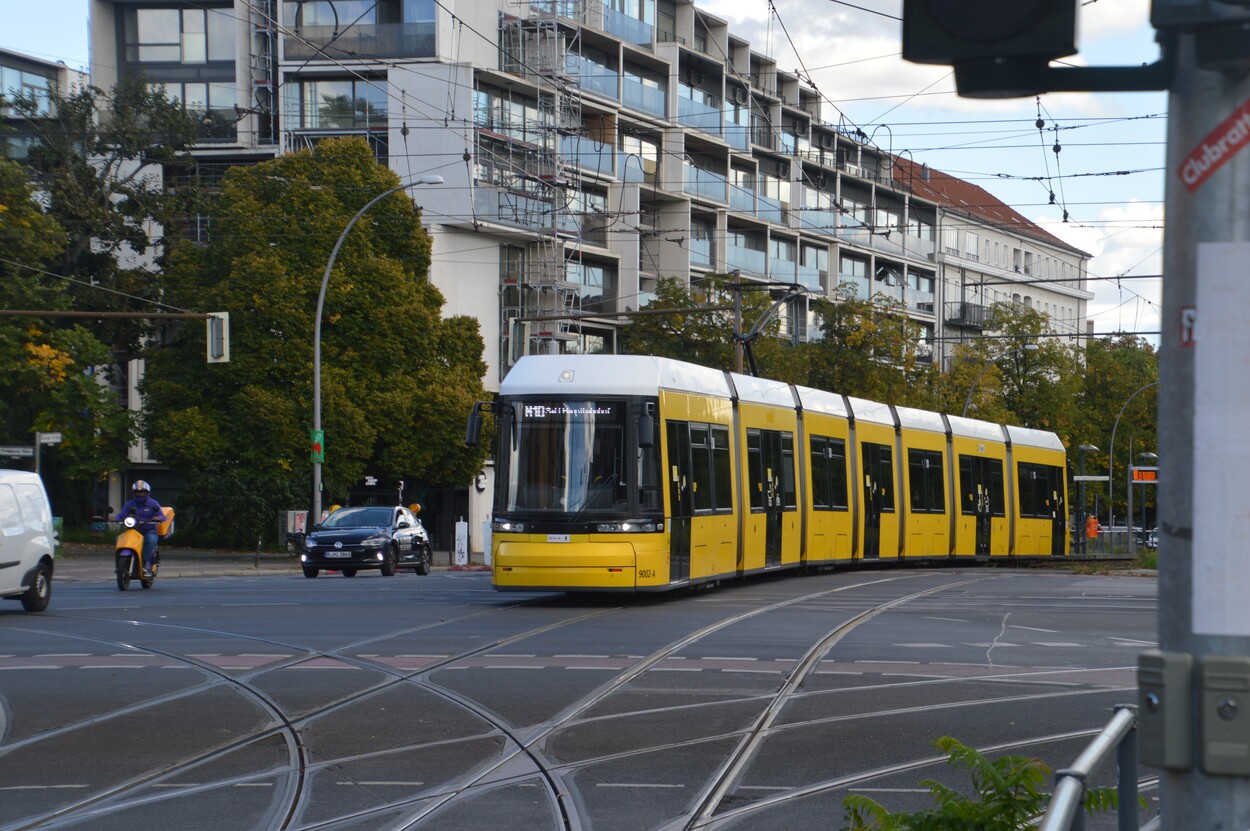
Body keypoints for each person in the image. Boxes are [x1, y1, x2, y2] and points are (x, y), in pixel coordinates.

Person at [116, 481, 164, 577]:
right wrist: (115, 518)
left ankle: (145, 564)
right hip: (133, 531)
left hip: (149, 530)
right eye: (137, 492)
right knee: (118, 539)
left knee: (150, 540)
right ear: (134, 493)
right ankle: (120, 566)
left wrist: (158, 518)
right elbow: (121, 515)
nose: (140, 494)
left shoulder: (153, 504)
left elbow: (162, 516)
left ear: (147, 493)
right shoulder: (129, 504)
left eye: (142, 492)